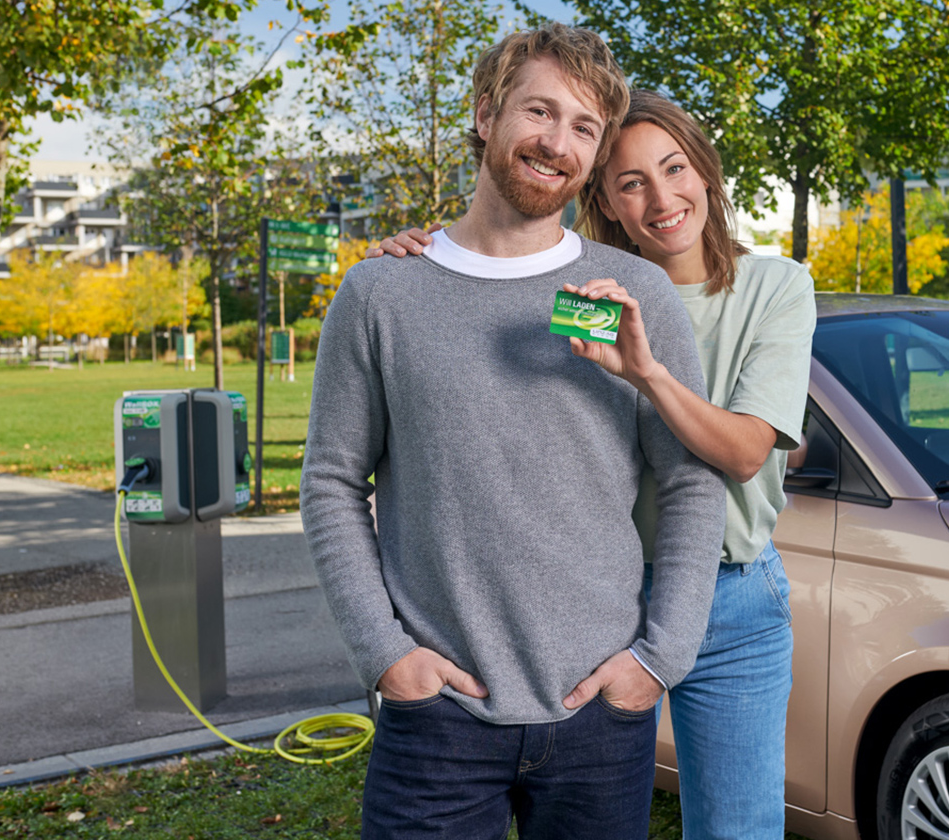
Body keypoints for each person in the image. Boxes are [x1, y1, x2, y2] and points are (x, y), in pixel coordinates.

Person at [300, 26, 726, 840]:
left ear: (596, 155)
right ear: (487, 112)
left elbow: (690, 481)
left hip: (603, 712)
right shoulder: (382, 293)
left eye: (583, 128)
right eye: (539, 111)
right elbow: (329, 483)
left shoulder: (629, 294)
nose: (556, 142)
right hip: (438, 718)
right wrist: (387, 658)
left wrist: (656, 661)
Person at [371, 89, 817, 840]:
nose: (662, 199)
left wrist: (648, 373)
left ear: (705, 172)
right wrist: (427, 255)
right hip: (592, 606)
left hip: (731, 600)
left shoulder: (775, 288)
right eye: (631, 183)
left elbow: (743, 453)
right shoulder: (583, 293)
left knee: (738, 829)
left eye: (675, 170)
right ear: (602, 198)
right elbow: (489, 335)